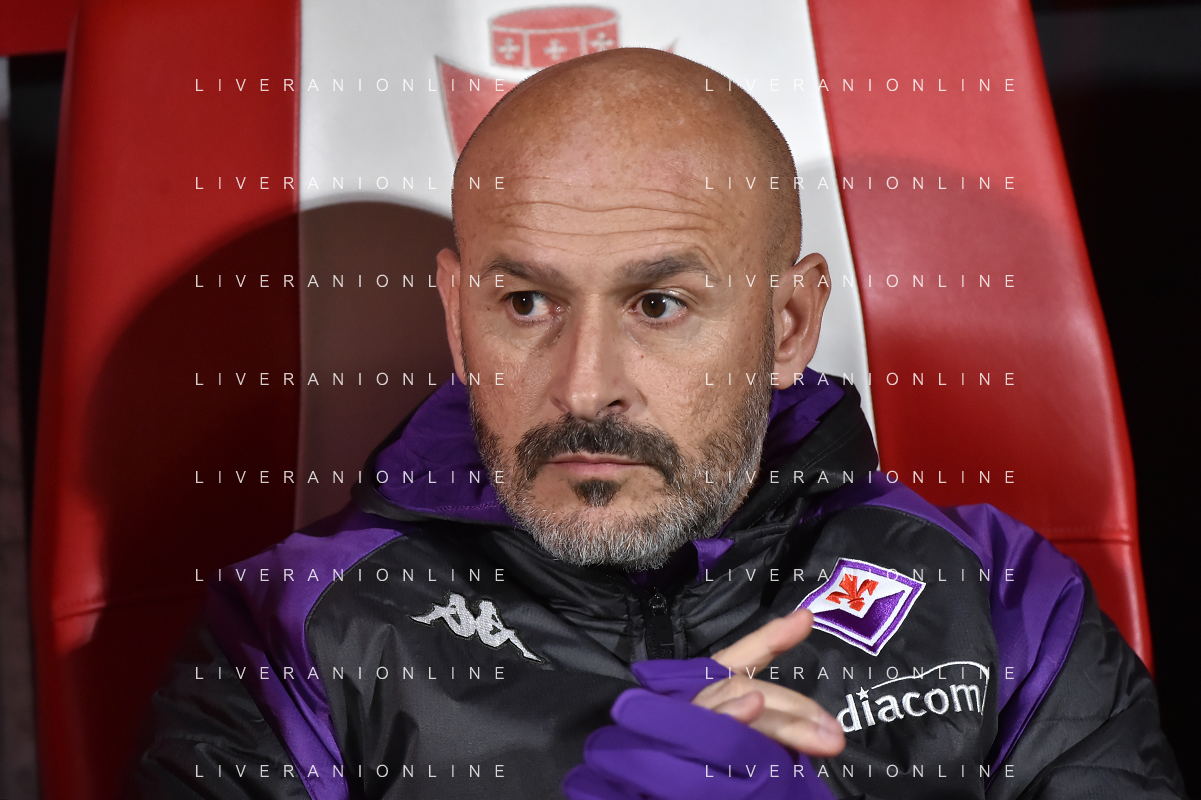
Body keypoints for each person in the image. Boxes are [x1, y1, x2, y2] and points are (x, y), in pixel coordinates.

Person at [125, 48, 1185, 800]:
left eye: (659, 304)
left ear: (786, 325)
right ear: (455, 318)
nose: (585, 388)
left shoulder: (998, 596)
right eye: (524, 303)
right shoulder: (291, 630)